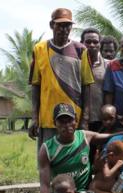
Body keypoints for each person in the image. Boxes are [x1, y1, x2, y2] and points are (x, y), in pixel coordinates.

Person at [14, 103, 113, 193]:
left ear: (75, 120)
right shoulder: (47, 149)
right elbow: (45, 186)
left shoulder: (85, 136)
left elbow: (107, 137)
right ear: (55, 123)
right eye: (61, 121)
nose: (66, 125)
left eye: (69, 120)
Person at [28, 8, 93, 151]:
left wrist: (85, 120)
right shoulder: (39, 49)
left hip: (73, 121)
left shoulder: (80, 50)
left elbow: (86, 85)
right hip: (48, 120)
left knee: (72, 163)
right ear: (52, 25)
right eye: (60, 25)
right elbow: (35, 85)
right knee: (49, 162)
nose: (64, 29)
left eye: (67, 25)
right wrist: (34, 118)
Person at [80, 28, 107, 131]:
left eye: (95, 42)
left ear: (100, 44)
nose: (91, 45)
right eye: (88, 42)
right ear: (81, 43)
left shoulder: (107, 65)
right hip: (78, 118)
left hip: (100, 120)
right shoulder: (75, 65)